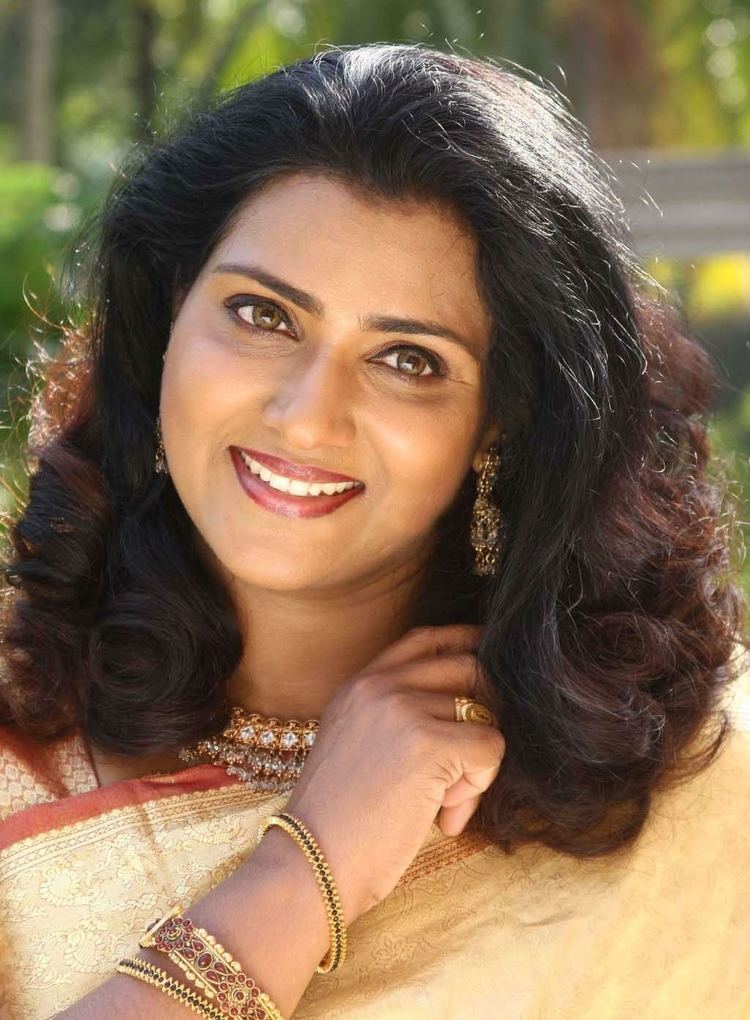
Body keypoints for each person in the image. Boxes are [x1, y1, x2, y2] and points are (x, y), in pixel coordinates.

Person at [0, 41, 748, 1020]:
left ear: (502, 424)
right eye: (261, 314)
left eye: (408, 358)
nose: (308, 416)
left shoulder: (699, 800)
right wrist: (312, 866)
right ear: (168, 317)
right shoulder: (25, 751)